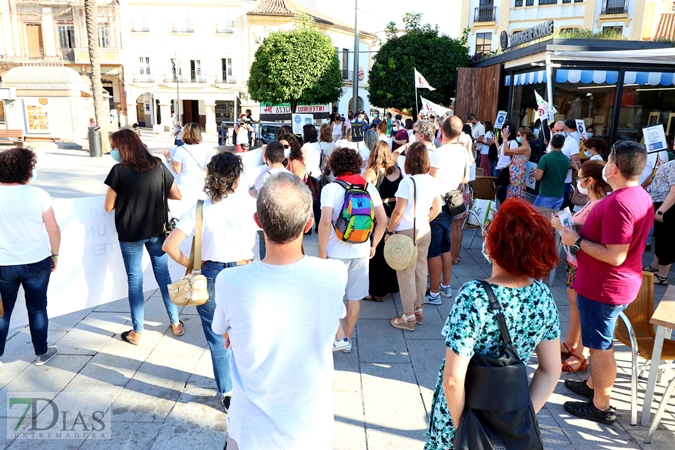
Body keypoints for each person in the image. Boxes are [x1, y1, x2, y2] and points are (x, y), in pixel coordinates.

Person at [212, 172, 348, 449]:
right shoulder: (334, 274)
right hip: (311, 429)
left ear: (257, 222)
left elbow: (222, 334)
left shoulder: (230, 281)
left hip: (250, 430)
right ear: (309, 223)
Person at [424, 199, 561, 450]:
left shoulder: (474, 295)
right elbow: (551, 370)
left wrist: (462, 427)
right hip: (511, 420)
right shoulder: (543, 297)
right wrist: (521, 414)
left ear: (496, 244)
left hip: (462, 416)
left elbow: (453, 380)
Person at [561, 141, 653, 425]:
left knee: (601, 349)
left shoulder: (620, 203)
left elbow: (614, 255)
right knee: (601, 344)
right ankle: (592, 387)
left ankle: (601, 405)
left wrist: (575, 241)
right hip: (612, 284)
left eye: (608, 159)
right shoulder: (638, 196)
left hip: (604, 287)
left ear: (613, 167)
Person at [163, 152, 257, 412]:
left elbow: (169, 246)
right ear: (236, 179)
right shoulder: (249, 205)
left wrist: (192, 264)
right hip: (244, 274)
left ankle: (227, 393)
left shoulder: (200, 208)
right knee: (247, 335)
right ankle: (248, 385)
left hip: (211, 277)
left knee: (217, 339)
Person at [103, 129, 184, 345]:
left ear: (123, 148)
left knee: (134, 280)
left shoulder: (118, 171)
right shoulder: (157, 165)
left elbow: (108, 206)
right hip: (157, 230)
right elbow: (177, 194)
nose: (112, 150)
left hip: (130, 234)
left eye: (113, 147)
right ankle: (176, 323)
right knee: (164, 276)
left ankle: (137, 332)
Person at [318, 147, 387, 352]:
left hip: (334, 252)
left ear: (335, 166)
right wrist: (374, 244)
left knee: (330, 296)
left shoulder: (331, 189)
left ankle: (339, 338)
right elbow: (382, 220)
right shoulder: (369, 187)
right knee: (354, 297)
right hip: (361, 251)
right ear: (357, 165)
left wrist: (322, 251)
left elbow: (324, 222)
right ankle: (346, 338)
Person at [0, 147, 61, 366]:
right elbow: (53, 229)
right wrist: (55, 254)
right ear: (26, 169)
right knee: (37, 307)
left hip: (3, 264)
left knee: (2, 311)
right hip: (36, 261)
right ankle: (41, 353)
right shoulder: (39, 194)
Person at [552, 160, 609, 373]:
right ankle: (570, 342)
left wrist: (565, 226)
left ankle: (581, 353)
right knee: (574, 302)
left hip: (584, 261)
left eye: (580, 177)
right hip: (574, 260)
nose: (578, 181)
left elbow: (592, 233)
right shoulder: (590, 202)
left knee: (584, 306)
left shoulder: (601, 204)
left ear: (590, 180)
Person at [386, 142, 442, 330]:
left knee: (405, 273)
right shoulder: (431, 181)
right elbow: (438, 208)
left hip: (406, 231)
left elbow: (398, 212)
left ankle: (408, 315)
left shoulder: (407, 182)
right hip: (424, 229)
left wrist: (388, 230)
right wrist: (426, 219)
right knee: (420, 269)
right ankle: (418, 309)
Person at [425, 116, 468, 306]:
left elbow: (431, 181)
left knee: (433, 250)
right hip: (451, 201)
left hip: (438, 203)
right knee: (445, 246)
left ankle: (434, 293)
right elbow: (463, 178)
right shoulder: (462, 152)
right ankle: (445, 286)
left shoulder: (440, 152)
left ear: (441, 130)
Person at [363, 141, 402, 302]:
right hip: (394, 214)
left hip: (378, 215)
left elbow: (363, 193)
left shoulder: (372, 172)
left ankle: (376, 291)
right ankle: (392, 286)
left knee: (376, 251)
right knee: (391, 250)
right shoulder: (397, 171)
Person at [643, 155, 675, 285]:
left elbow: (674, 192)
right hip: (663, 204)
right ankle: (655, 266)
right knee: (661, 238)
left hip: (667, 207)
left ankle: (662, 275)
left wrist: (661, 210)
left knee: (666, 240)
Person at [450, 127, 475, 265]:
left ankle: (453, 256)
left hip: (456, 193)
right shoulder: (469, 156)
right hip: (464, 193)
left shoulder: (459, 156)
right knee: (458, 227)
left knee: (454, 227)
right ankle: (456, 254)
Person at [163, 122, 212, 188]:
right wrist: (205, 171)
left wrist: (168, 158)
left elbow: (177, 170)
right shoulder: (206, 148)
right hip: (202, 183)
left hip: (186, 184)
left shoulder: (181, 149)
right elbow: (213, 163)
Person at [533, 133, 570, 210]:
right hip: (559, 195)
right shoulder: (566, 159)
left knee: (537, 217)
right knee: (552, 219)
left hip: (546, 194)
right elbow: (565, 176)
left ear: (550, 143)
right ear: (563, 145)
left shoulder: (545, 158)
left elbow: (538, 177)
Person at [504, 127, 533, 200]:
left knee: (514, 198)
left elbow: (506, 152)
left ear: (524, 136)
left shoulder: (526, 148)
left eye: (519, 135)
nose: (517, 137)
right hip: (515, 175)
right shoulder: (522, 147)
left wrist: (505, 139)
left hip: (517, 176)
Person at [495, 123, 516, 202]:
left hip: (505, 170)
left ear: (509, 132)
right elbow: (501, 154)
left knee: (503, 194)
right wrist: (496, 143)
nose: (502, 133)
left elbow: (514, 159)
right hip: (499, 168)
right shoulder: (505, 142)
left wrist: (506, 167)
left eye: (504, 131)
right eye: (502, 131)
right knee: (499, 194)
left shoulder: (512, 143)